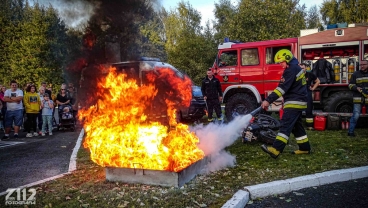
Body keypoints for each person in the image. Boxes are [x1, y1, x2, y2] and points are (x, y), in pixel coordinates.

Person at [260, 49, 310, 159]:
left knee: (285, 125)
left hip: (294, 102)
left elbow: (281, 88)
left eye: (281, 62)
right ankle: (304, 148)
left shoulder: (291, 70)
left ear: (287, 59)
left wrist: (268, 100)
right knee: (297, 127)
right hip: (299, 101)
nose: (280, 64)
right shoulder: (295, 68)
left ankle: (276, 149)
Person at [347, 59, 368, 137]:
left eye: (364, 64)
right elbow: (350, 85)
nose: (362, 66)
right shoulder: (355, 74)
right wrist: (356, 88)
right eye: (361, 65)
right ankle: (350, 132)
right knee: (356, 115)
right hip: (358, 98)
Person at [300, 63, 320, 130]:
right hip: (299, 93)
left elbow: (318, 81)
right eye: (300, 68)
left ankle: (309, 126)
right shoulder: (296, 75)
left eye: (302, 68)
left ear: (306, 68)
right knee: (298, 110)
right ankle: (299, 125)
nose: (301, 69)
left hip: (307, 92)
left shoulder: (310, 74)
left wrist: (313, 88)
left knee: (309, 109)